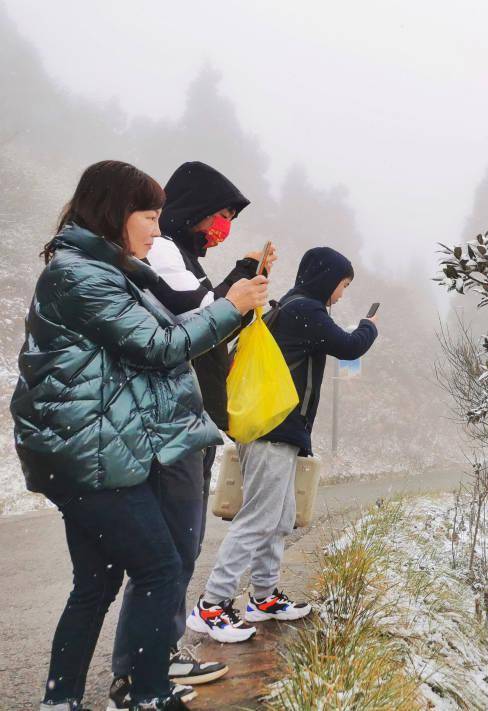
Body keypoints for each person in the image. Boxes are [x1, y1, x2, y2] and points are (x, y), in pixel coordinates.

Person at [10, 160, 268, 711]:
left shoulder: (105, 270)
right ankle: (147, 696)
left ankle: (62, 702)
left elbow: (160, 336)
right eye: (149, 215)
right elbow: (159, 344)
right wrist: (230, 308)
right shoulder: (81, 276)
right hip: (90, 455)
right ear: (114, 213)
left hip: (90, 451)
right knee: (159, 567)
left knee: (97, 585)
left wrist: (229, 308)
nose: (158, 226)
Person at [108, 161, 276, 704]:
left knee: (174, 550)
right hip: (171, 422)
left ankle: (154, 657)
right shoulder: (162, 253)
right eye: (220, 215)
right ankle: (145, 665)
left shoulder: (184, 257)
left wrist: (241, 279)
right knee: (169, 552)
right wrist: (239, 285)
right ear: (193, 209)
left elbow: (206, 312)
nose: (222, 225)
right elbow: (190, 319)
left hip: (190, 419)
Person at [189, 247, 378, 643]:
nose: (341, 294)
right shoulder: (304, 310)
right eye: (342, 285)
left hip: (278, 428)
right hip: (273, 427)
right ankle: (212, 604)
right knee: (259, 518)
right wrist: (369, 325)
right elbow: (349, 346)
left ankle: (263, 596)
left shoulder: (291, 308)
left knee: (278, 519)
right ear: (328, 280)